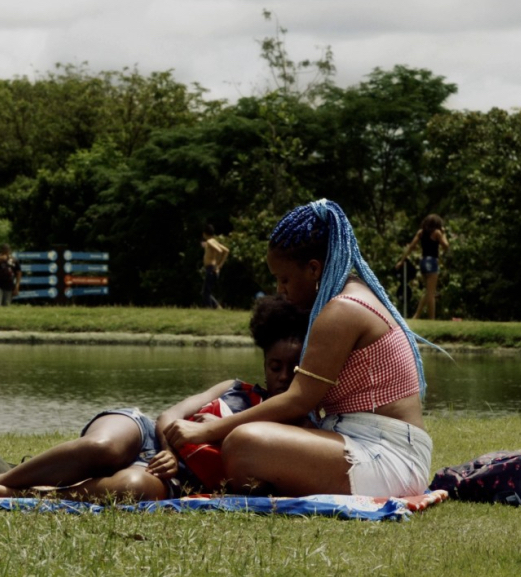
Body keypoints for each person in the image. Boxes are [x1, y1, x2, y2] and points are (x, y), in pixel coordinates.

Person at [166, 199, 432, 499]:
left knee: (243, 444)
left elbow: (298, 400)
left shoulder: (342, 311)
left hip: (389, 458)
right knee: (243, 441)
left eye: (284, 279)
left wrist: (211, 430)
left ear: (314, 269)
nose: (280, 290)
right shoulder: (348, 294)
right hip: (363, 443)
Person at [0, 294, 308, 501]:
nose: (282, 376)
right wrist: (170, 448)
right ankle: (3, 477)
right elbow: (170, 414)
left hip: (177, 479)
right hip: (148, 436)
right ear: (263, 362)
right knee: (104, 447)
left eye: (293, 368)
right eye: (275, 365)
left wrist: (188, 455)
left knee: (132, 488)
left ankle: (24, 490)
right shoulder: (235, 388)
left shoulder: (296, 421)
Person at [397, 214, 450, 320]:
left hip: (423, 261)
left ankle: (416, 315)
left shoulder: (421, 232)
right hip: (432, 261)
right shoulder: (437, 233)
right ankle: (432, 319)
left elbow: (411, 246)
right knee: (431, 294)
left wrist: (402, 261)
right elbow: (446, 246)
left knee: (428, 291)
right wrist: (443, 234)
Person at [200, 224, 230, 309]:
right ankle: (217, 307)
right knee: (207, 291)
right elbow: (226, 250)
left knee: (206, 292)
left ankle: (211, 308)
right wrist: (220, 265)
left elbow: (220, 251)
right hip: (212, 269)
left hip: (211, 268)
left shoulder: (209, 242)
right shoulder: (213, 241)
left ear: (204, 233)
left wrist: (217, 264)